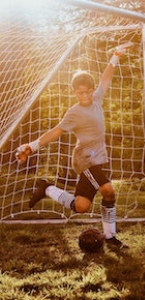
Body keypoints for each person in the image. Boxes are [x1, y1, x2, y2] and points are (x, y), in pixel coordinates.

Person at [16, 42, 133, 250]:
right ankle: (111, 238)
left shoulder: (96, 99)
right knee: (109, 191)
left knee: (81, 206)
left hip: (99, 158)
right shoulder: (74, 112)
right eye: (81, 93)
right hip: (86, 160)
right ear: (74, 92)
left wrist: (115, 56)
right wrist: (32, 146)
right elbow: (56, 131)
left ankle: (47, 189)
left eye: (88, 91)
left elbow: (105, 79)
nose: (86, 96)